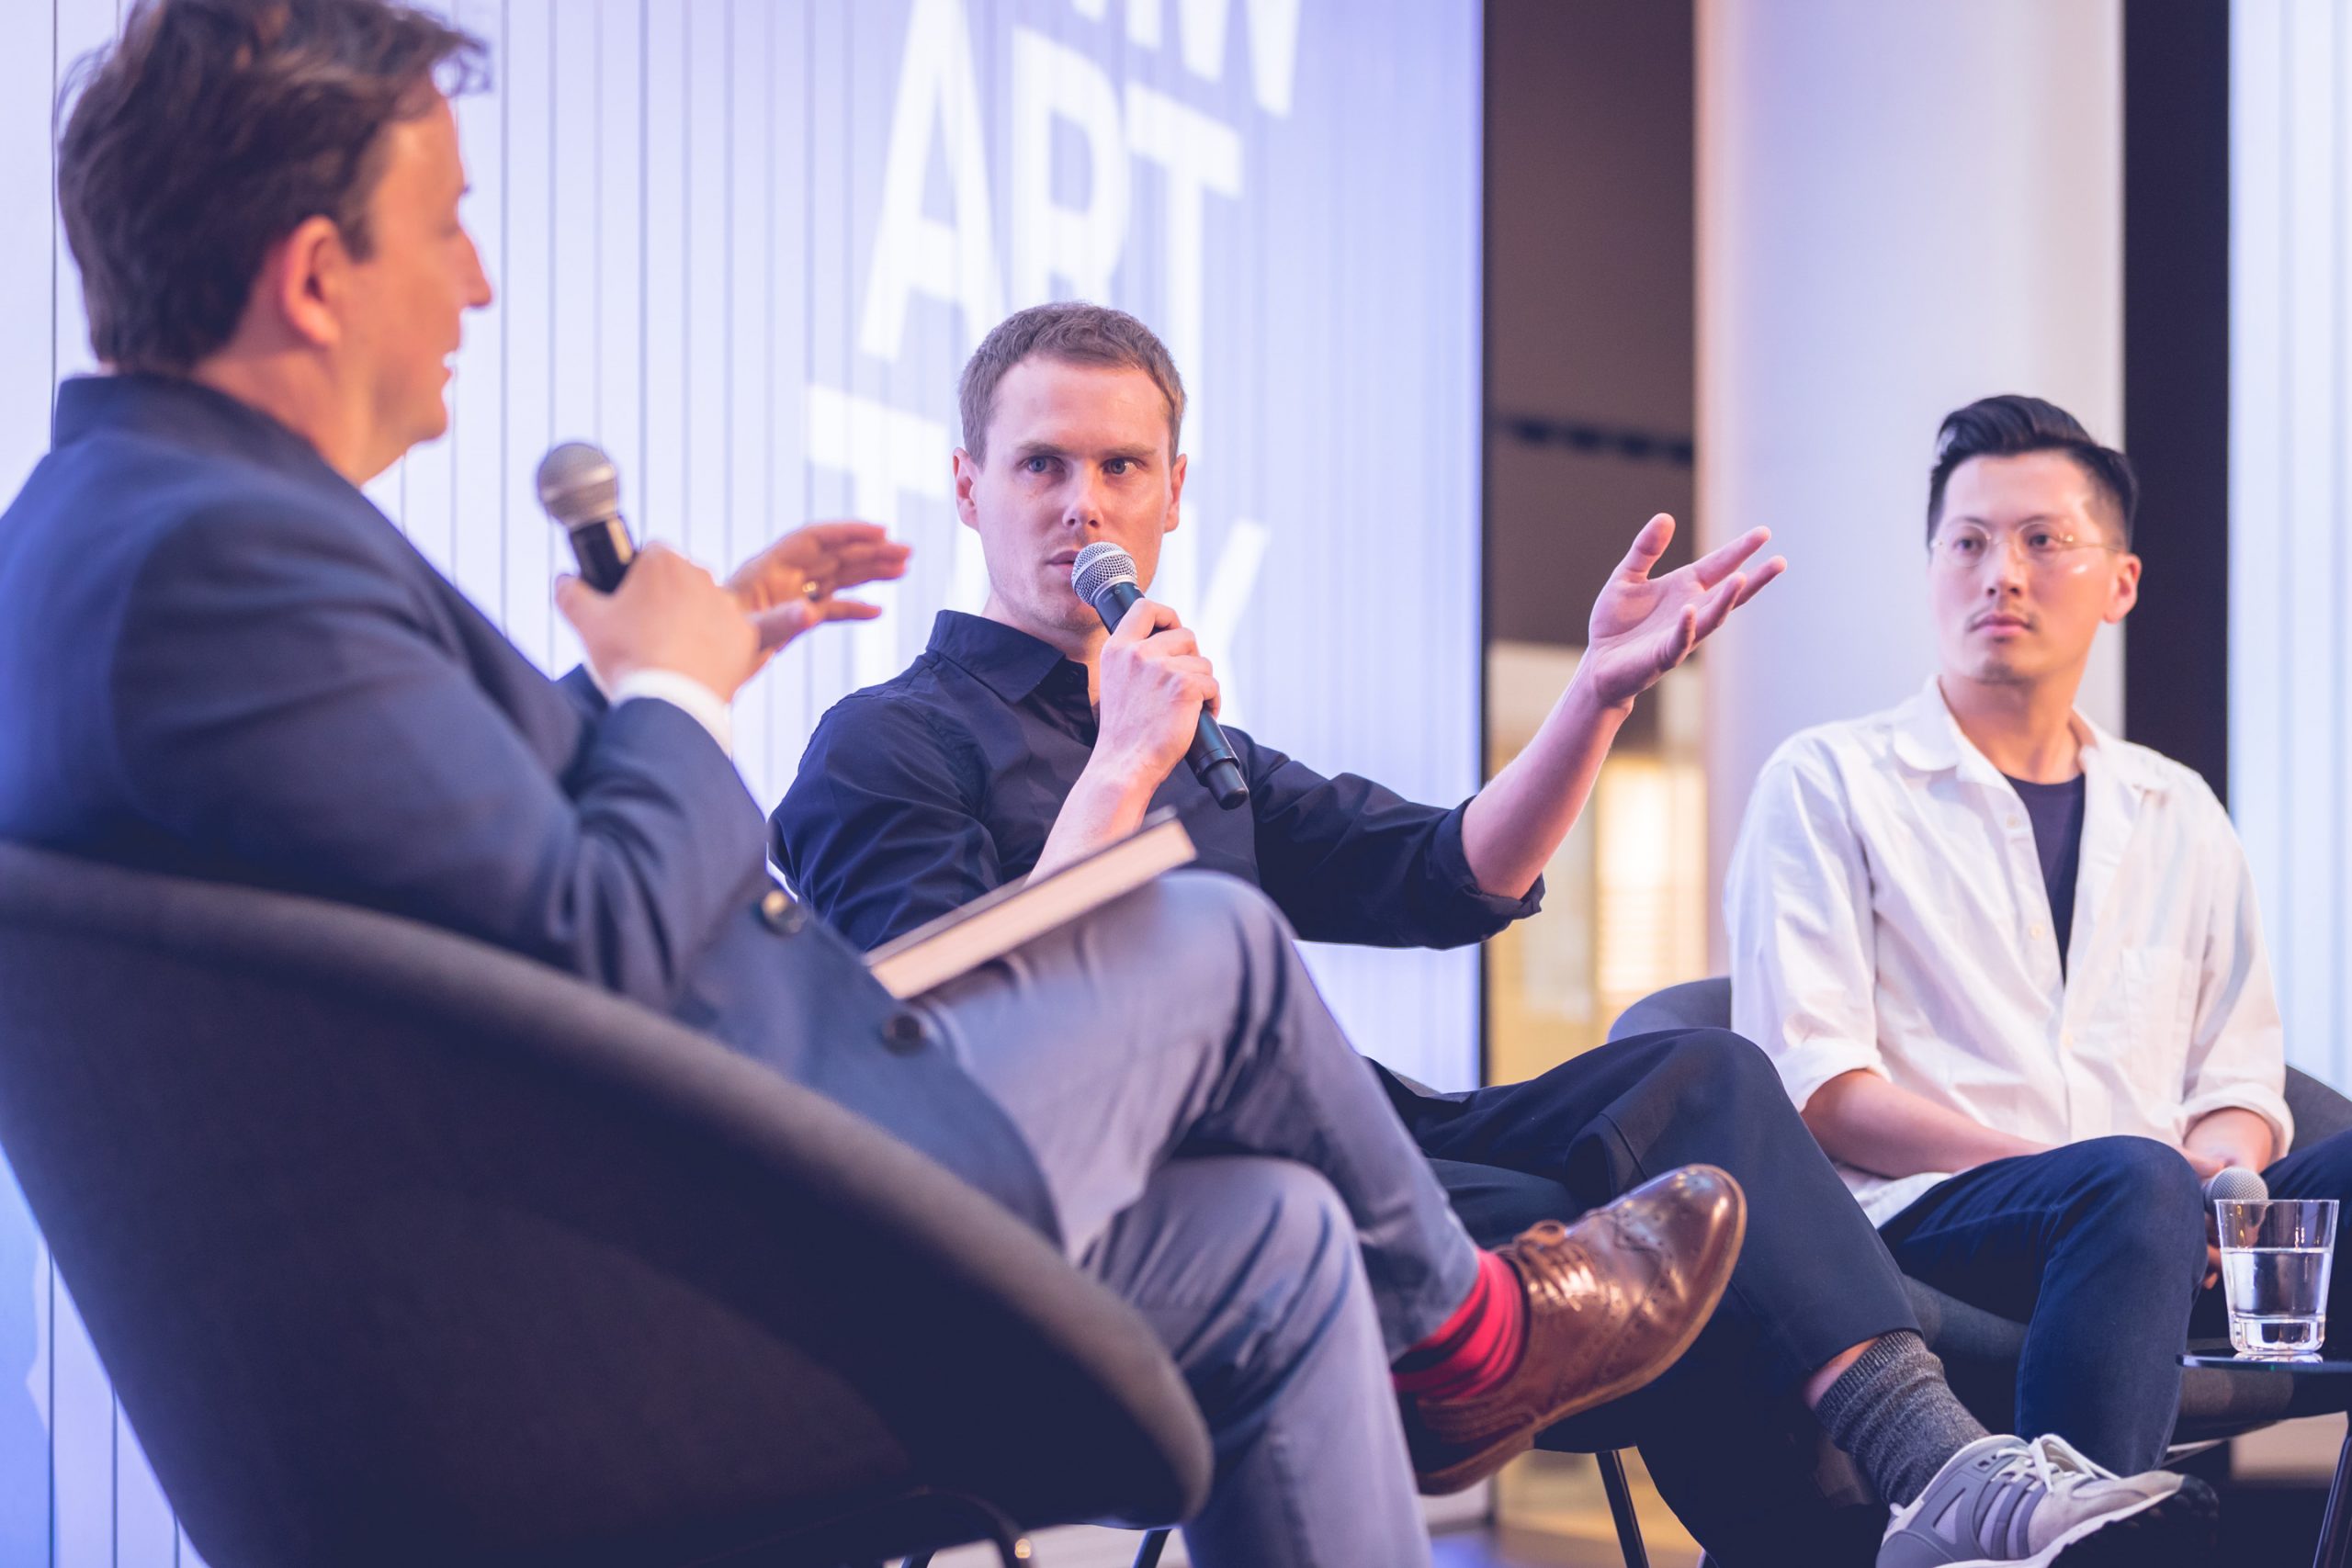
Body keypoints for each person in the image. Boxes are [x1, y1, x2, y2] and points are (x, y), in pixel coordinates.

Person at [0, 6, 1751, 1566]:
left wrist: (650, 673)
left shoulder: (140, 535)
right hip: (675, 1283)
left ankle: (1450, 1349)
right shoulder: (211, 562)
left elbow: (456, 872)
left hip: (685, 1213)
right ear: (317, 276)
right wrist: (669, 688)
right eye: (449, 226)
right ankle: (1475, 1345)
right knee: (1211, 942)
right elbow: (598, 932)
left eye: (1123, 466)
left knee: (1286, 1237)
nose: (478, 286)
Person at [772, 303, 2213, 1567]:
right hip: (1176, 1195)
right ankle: (1929, 1488)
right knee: (1680, 1241)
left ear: (1174, 492)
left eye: (1120, 467)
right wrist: (1119, 768)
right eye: (1041, 465)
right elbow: (958, 1051)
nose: (1083, 505)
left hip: (1366, 1133)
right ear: (968, 486)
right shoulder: (888, 740)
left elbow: (1446, 872)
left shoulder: (1199, 737)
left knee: (1705, 1082)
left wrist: (1597, 694)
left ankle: (1943, 1474)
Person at [1725, 393, 2345, 1493]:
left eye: (2041, 541)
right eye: (1966, 543)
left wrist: (2217, 1181)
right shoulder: (1828, 780)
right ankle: (2054, 1534)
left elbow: (2238, 1075)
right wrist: (2100, 1177)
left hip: (2160, 1222)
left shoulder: (2177, 807)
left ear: (2120, 584)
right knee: (2128, 1185)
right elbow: (1814, 1088)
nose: (1999, 574)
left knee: (2193, 1184)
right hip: (1929, 1221)